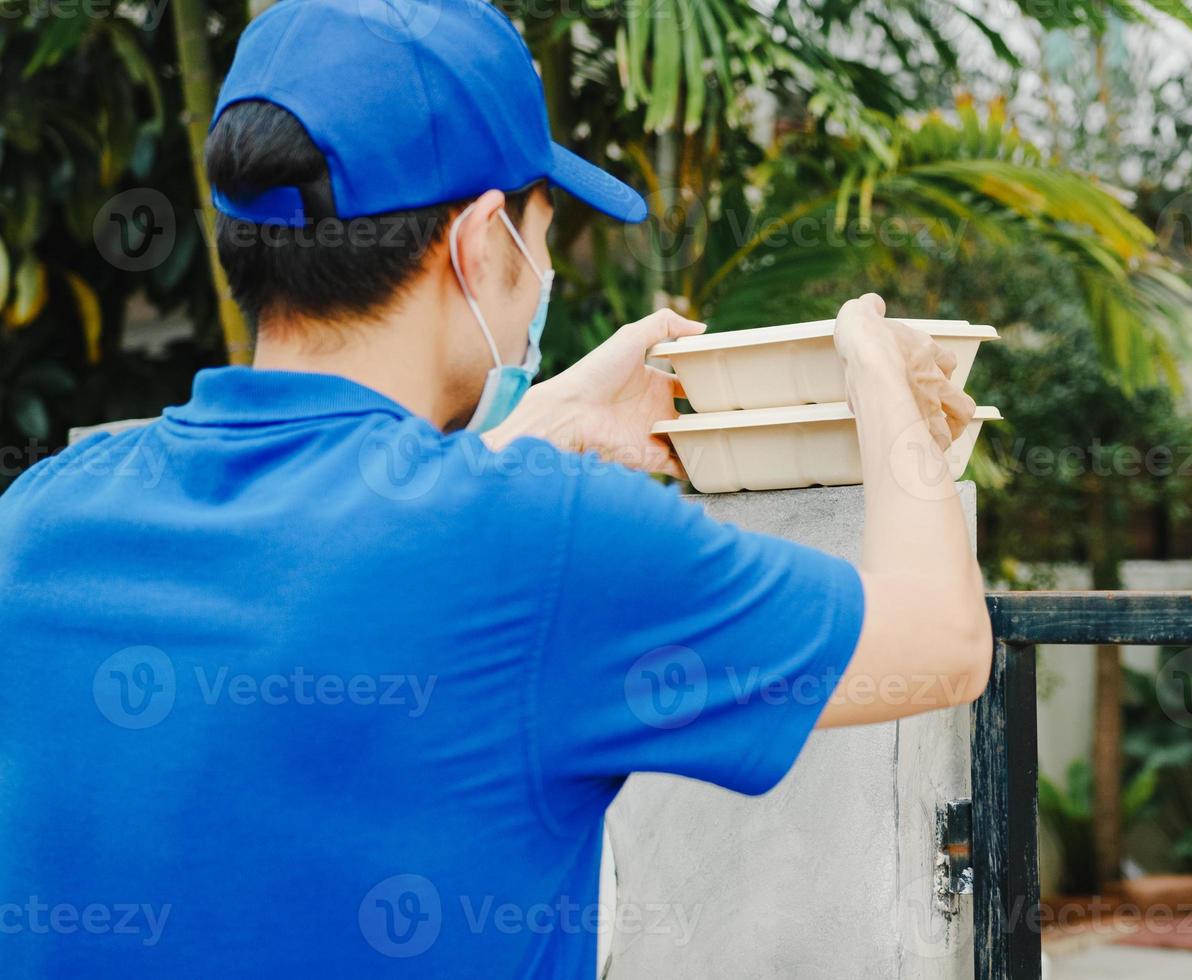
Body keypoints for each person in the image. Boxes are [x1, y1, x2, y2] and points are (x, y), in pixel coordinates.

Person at [0, 0, 989, 975]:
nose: (545, 271)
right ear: (480, 243)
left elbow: (356, 540)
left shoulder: (38, 525)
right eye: (543, 236)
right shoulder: (548, 543)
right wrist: (868, 360)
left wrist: (541, 427)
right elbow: (937, 640)